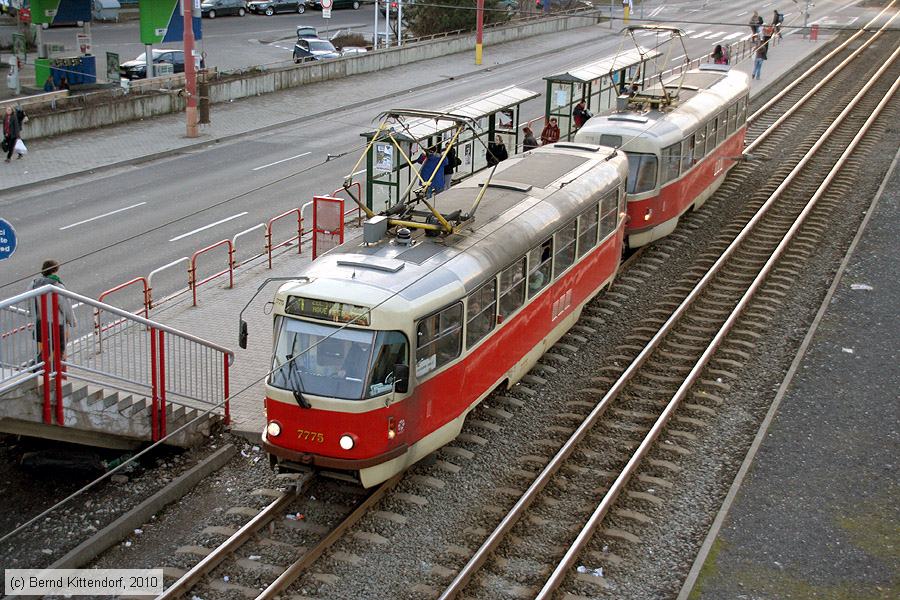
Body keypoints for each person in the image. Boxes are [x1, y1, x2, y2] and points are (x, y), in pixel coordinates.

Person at [30, 260, 78, 364]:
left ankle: (37, 367)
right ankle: (49, 372)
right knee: (58, 350)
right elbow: (65, 306)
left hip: (40, 322)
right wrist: (73, 321)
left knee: (46, 349)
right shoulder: (57, 286)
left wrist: (33, 316)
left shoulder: (34, 284)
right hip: (56, 323)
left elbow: (30, 302)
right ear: (56, 270)